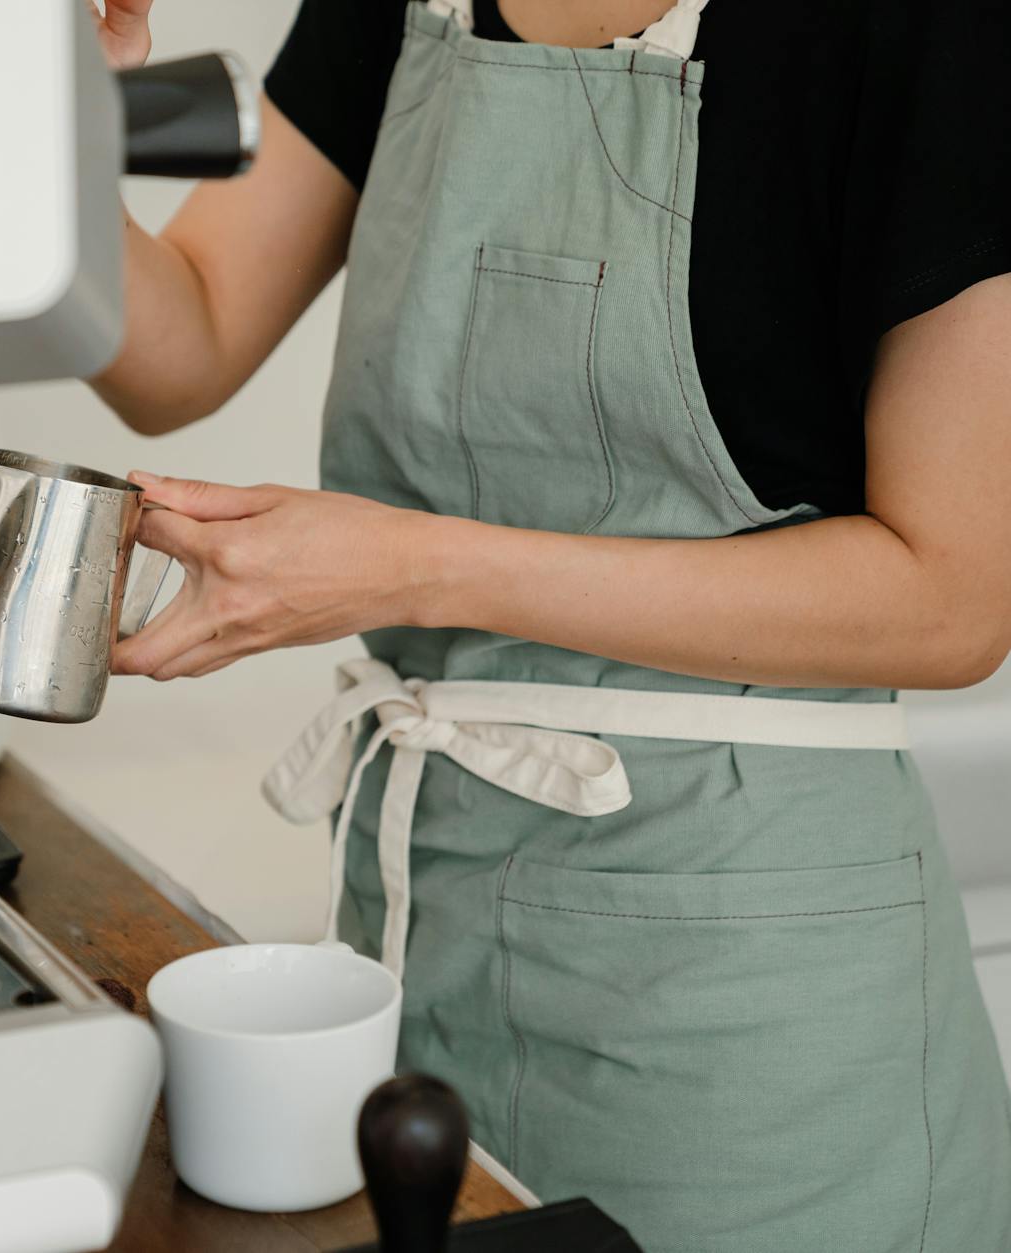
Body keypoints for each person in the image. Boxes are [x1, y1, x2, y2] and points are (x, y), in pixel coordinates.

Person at [85, 0, 1011, 1248]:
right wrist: (43, 120)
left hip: (747, 1009)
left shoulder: (927, 33)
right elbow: (179, 338)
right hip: (420, 933)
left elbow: (949, 598)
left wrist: (413, 570)